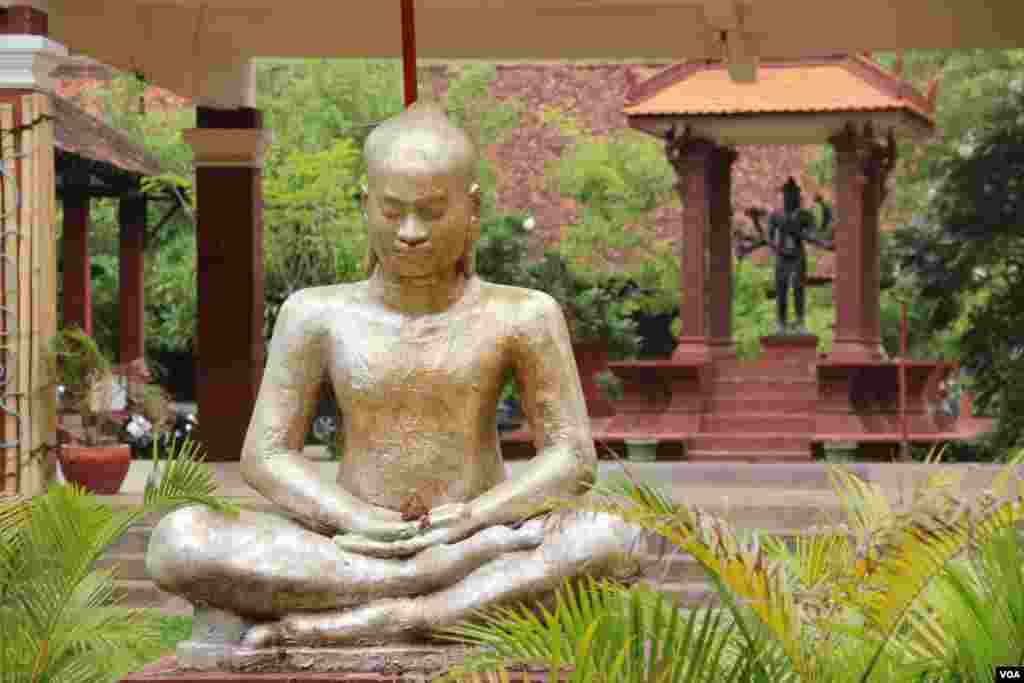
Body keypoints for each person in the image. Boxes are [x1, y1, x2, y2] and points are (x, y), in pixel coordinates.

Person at [146, 101, 644, 649]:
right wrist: (357, 521)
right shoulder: (315, 314)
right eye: (392, 211)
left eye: (432, 211)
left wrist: (472, 520)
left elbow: (572, 457)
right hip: (354, 546)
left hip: (480, 534)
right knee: (181, 540)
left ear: (472, 211)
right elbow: (265, 455)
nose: (410, 232)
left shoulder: (523, 315)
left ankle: (399, 620)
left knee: (611, 538)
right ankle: (424, 593)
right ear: (366, 205)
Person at [741, 177, 834, 335]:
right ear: (784, 196)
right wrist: (776, 248)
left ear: (798, 196)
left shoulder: (805, 215)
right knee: (781, 289)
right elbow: (768, 237)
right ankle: (781, 322)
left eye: (794, 195)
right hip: (781, 256)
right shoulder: (776, 216)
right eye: (788, 195)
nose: (792, 198)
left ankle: (800, 321)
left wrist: (823, 243)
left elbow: (812, 233)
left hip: (798, 256)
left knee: (799, 288)